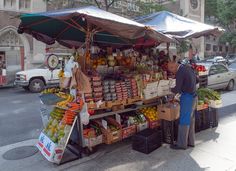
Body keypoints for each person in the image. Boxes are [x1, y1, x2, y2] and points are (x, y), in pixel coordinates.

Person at [167, 61, 197, 150]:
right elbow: (197, 80)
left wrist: (170, 88)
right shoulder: (187, 67)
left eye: (171, 69)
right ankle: (191, 142)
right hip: (194, 96)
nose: (171, 72)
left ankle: (181, 145)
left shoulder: (180, 71)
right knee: (190, 120)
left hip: (187, 97)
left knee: (184, 120)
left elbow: (177, 89)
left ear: (174, 66)